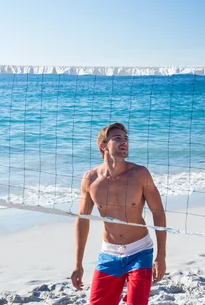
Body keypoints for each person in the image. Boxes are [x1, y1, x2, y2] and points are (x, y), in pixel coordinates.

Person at [71, 122, 167, 305]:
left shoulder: (140, 174)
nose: (124, 142)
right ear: (103, 145)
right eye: (117, 139)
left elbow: (159, 213)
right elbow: (82, 221)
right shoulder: (91, 179)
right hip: (109, 253)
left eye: (126, 139)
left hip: (140, 251)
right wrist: (78, 264)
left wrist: (161, 256)